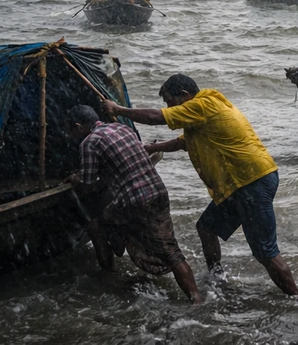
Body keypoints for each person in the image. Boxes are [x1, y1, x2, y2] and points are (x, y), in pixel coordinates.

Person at [102, 74, 298, 296]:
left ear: (185, 95)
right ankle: (217, 278)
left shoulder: (202, 105)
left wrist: (118, 110)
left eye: (170, 102)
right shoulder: (201, 114)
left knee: (265, 251)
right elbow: (182, 142)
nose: (169, 107)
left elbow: (156, 117)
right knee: (206, 227)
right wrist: (149, 148)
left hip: (250, 182)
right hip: (242, 183)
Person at [64, 105, 201, 303]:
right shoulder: (122, 128)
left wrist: (74, 178)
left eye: (71, 131)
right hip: (159, 193)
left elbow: (88, 183)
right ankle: (196, 299)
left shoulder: (89, 143)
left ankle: (108, 277)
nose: (71, 136)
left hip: (135, 201)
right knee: (171, 249)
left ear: (78, 126)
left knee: (96, 226)